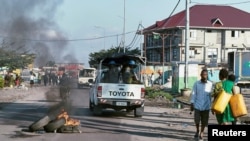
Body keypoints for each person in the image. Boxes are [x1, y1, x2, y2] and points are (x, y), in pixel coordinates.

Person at [190, 69, 213, 140]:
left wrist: (212, 106)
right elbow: (194, 93)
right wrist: (192, 103)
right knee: (197, 120)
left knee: (204, 121)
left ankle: (202, 132)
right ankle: (197, 130)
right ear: (201, 75)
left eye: (206, 75)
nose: (204, 76)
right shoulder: (196, 83)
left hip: (206, 106)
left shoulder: (210, 84)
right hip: (197, 105)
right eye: (203, 75)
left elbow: (211, 95)